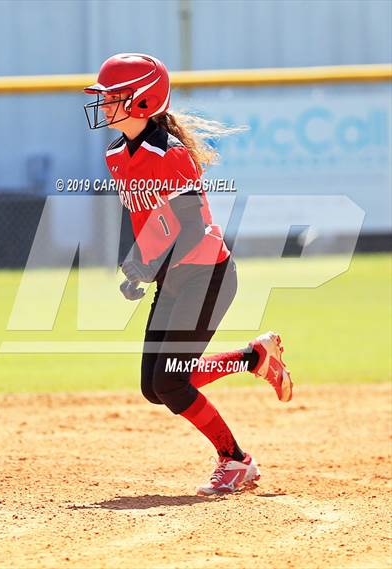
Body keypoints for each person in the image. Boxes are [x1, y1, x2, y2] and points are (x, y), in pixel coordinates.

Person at [84, 53, 293, 495]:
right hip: (174, 279)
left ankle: (236, 462)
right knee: (154, 387)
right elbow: (151, 220)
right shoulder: (118, 155)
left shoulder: (170, 153)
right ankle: (254, 357)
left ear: (141, 101)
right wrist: (139, 264)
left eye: (112, 97)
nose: (103, 104)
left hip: (206, 275)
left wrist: (145, 262)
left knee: (172, 381)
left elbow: (191, 226)